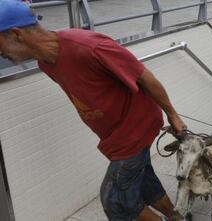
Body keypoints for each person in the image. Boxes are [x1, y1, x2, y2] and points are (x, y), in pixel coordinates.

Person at [0, 1, 186, 220]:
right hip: (115, 136)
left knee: (116, 201)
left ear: (16, 34)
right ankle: (176, 216)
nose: (1, 54)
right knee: (144, 182)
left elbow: (143, 76)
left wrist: (172, 114)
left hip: (135, 129)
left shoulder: (89, 46)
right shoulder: (46, 62)